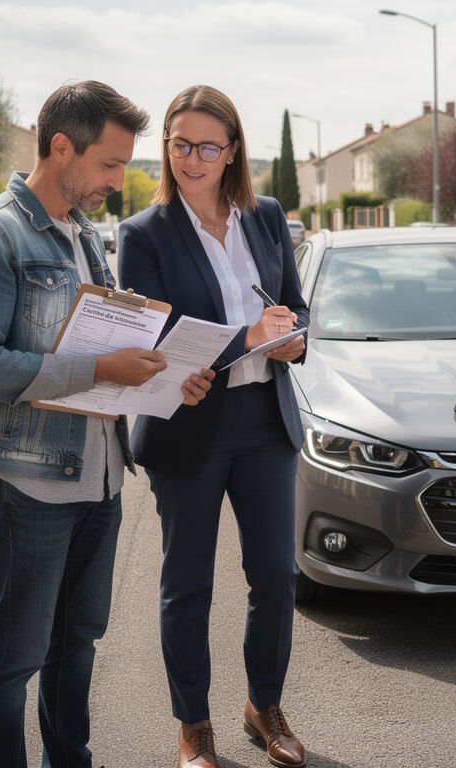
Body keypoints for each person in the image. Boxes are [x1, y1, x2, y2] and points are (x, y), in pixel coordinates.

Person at [0, 80, 214, 768]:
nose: (118, 182)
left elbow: (103, 349)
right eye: (108, 164)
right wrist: (102, 369)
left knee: (77, 646)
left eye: (123, 166)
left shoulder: (85, 238)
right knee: (14, 659)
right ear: (60, 148)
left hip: (98, 479)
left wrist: (167, 374)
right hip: (28, 482)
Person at [118, 85, 309, 768]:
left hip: (264, 420)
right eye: (178, 144)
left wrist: (292, 339)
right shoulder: (143, 233)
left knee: (274, 575)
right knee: (188, 582)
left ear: (231, 153)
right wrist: (249, 335)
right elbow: (155, 339)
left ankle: (264, 707)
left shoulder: (267, 217)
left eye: (205, 146)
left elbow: (297, 310)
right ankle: (193, 726)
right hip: (190, 420)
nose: (190, 158)